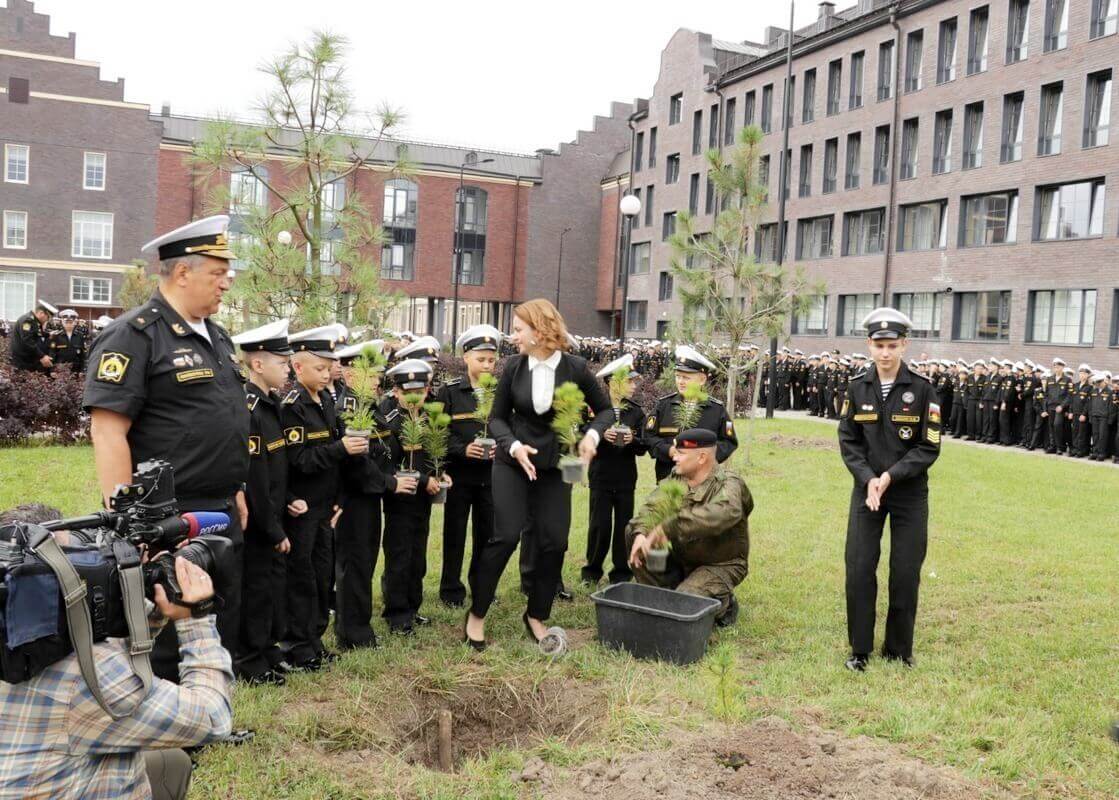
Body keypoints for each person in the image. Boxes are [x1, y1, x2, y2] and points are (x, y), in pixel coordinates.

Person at [82, 216, 250, 701]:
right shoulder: (134, 336)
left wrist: (235, 488)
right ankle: (168, 730)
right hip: (167, 513)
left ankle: (207, 710)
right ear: (182, 273)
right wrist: (129, 521)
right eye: (219, 273)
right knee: (170, 613)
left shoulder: (215, 336)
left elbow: (222, 419)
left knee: (218, 606)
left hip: (218, 505)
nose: (227, 283)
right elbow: (109, 431)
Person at [0, 543, 231, 800]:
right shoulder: (85, 677)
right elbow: (214, 718)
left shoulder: (18, 644)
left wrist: (149, 607)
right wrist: (195, 620)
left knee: (172, 762)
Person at [465, 299, 613, 651]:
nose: (512, 336)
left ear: (539, 330)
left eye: (518, 329)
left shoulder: (576, 368)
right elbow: (497, 418)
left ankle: (536, 614)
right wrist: (514, 446)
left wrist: (591, 437)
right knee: (506, 535)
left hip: (553, 468)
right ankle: (477, 614)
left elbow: (605, 410)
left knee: (554, 541)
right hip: (512, 463)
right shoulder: (514, 368)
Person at [837, 307, 941, 672]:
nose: (885, 352)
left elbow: (928, 447)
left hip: (908, 493)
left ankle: (898, 649)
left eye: (892, 345)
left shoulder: (923, 389)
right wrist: (868, 479)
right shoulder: (856, 387)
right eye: (879, 345)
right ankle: (860, 649)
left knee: (905, 570)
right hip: (867, 491)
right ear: (869, 345)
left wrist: (890, 476)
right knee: (860, 567)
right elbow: (848, 440)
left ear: (904, 345)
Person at [280, 325, 366, 668]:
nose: (327, 372)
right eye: (319, 367)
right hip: (302, 507)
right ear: (297, 368)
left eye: (329, 367)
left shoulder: (327, 400)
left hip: (325, 507)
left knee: (321, 576)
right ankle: (296, 646)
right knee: (301, 579)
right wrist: (339, 448)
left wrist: (339, 501)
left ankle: (314, 641)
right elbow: (299, 460)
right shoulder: (293, 407)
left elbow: (336, 462)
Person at [626, 428, 752, 627]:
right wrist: (641, 533)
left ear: (702, 457)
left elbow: (727, 512)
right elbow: (653, 506)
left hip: (719, 564)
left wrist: (672, 526)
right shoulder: (677, 478)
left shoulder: (728, 483)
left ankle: (723, 604)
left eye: (681, 453)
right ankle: (664, 595)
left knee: (686, 602)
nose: (674, 456)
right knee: (633, 532)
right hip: (683, 557)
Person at [230, 319, 297, 685]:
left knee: (272, 586)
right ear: (258, 364)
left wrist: (288, 502)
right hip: (257, 520)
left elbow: (278, 468)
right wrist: (271, 528)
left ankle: (269, 649)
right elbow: (254, 478)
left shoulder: (273, 404)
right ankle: (250, 661)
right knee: (255, 589)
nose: (288, 367)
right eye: (281, 361)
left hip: (275, 512)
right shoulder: (250, 407)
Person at [434, 324, 501, 607]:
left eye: (491, 360)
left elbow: (510, 429)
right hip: (459, 478)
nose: (487, 365)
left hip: (492, 478)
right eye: (481, 359)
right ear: (466, 358)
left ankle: (482, 587)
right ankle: (451, 590)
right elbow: (437, 435)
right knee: (455, 534)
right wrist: (463, 450)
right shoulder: (449, 393)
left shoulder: (500, 393)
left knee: (487, 536)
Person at [379, 358, 444, 633]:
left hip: (423, 500)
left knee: (418, 555)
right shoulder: (390, 421)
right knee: (399, 555)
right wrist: (424, 479)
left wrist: (441, 474)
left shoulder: (430, 418)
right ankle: (396, 613)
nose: (414, 397)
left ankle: (412, 606)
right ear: (396, 392)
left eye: (420, 391)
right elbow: (389, 466)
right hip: (400, 500)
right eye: (407, 392)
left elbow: (434, 454)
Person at [582, 353, 647, 587]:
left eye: (633, 381)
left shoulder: (636, 411)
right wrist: (600, 433)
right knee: (599, 525)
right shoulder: (594, 409)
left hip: (625, 478)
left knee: (624, 526)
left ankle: (620, 574)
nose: (633, 385)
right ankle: (591, 572)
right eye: (627, 381)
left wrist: (633, 439)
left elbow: (644, 445)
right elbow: (580, 434)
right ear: (611, 382)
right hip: (600, 475)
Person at [645, 344, 738, 483]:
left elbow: (728, 442)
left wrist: (703, 458)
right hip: (668, 478)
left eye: (686, 377)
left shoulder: (716, 410)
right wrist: (668, 450)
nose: (680, 382)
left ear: (702, 380)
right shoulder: (664, 406)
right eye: (677, 376)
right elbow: (648, 436)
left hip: (703, 481)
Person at [10, 298, 56, 372]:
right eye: (48, 317)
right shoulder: (28, 320)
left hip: (27, 359)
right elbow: (27, 341)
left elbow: (37, 333)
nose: (47, 320)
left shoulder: (34, 320)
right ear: (41, 313)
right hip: (22, 360)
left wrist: (48, 334)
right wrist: (42, 356)